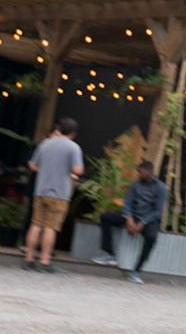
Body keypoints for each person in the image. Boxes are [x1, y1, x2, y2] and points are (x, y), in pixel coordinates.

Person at [93, 158, 168, 284]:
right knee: (105, 217)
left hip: (149, 220)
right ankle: (109, 254)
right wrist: (129, 218)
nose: (139, 174)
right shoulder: (135, 185)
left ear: (150, 172)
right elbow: (127, 204)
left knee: (151, 237)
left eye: (141, 172)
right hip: (133, 216)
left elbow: (158, 211)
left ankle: (136, 271)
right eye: (138, 172)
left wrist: (143, 222)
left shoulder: (161, 188)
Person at [24, 117, 83, 272]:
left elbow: (32, 164)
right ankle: (44, 261)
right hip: (59, 193)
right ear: (72, 132)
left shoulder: (45, 143)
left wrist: (45, 169)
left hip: (40, 190)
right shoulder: (73, 147)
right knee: (51, 227)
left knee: (36, 224)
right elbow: (78, 170)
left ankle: (29, 259)